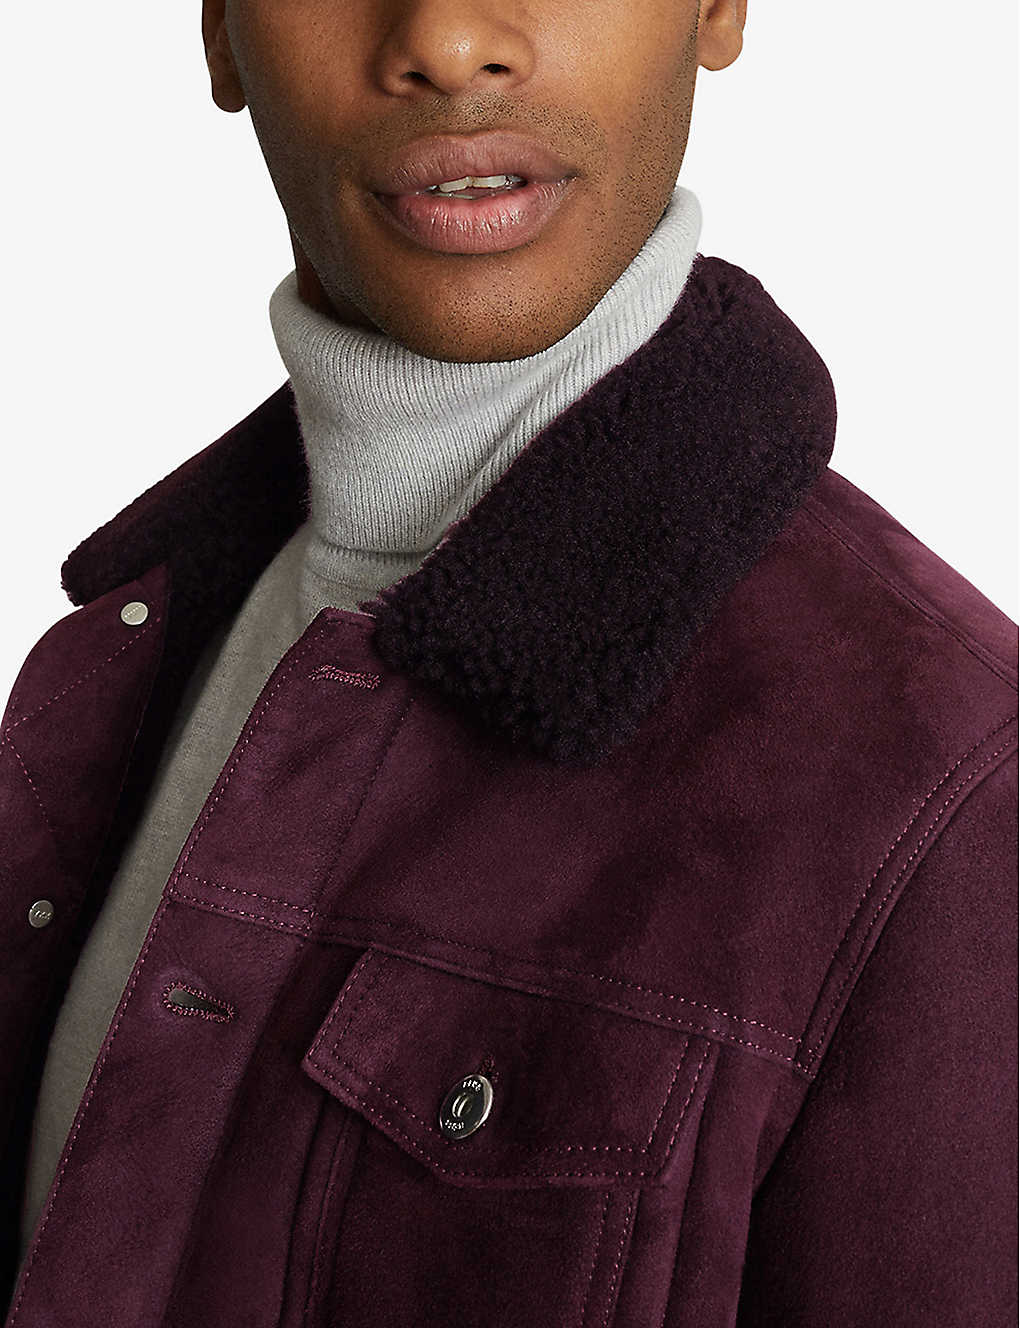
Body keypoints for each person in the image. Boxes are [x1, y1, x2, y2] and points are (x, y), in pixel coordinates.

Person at [1, 0, 1015, 1324]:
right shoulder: (127, 650)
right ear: (219, 33)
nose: (446, 37)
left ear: (716, 7)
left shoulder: (947, 787)